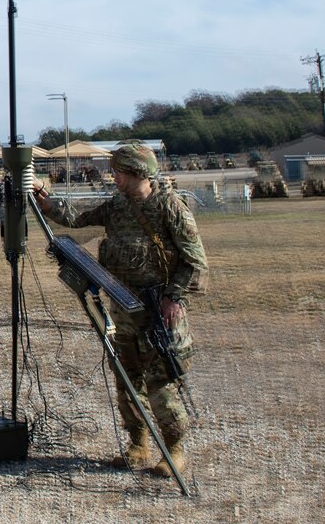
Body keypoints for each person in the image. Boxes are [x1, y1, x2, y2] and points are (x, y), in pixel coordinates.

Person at [32, 140, 208, 478]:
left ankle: (173, 449)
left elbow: (195, 261)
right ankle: (138, 444)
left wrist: (175, 299)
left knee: (160, 383)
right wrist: (45, 200)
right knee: (127, 377)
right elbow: (78, 218)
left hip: (160, 309)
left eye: (118, 172)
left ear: (136, 172)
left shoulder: (170, 208)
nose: (113, 177)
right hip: (124, 305)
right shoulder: (117, 206)